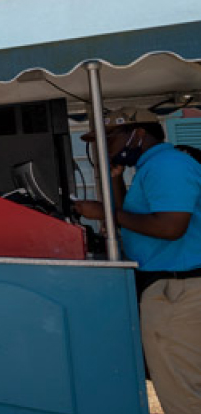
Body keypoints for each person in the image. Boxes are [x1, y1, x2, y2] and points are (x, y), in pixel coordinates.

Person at [75, 107, 201, 414]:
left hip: (178, 288)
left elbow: (171, 226)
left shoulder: (168, 165)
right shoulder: (151, 167)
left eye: (109, 139)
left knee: (181, 385)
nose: (100, 148)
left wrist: (105, 214)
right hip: (170, 286)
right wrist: (116, 182)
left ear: (138, 134)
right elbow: (137, 217)